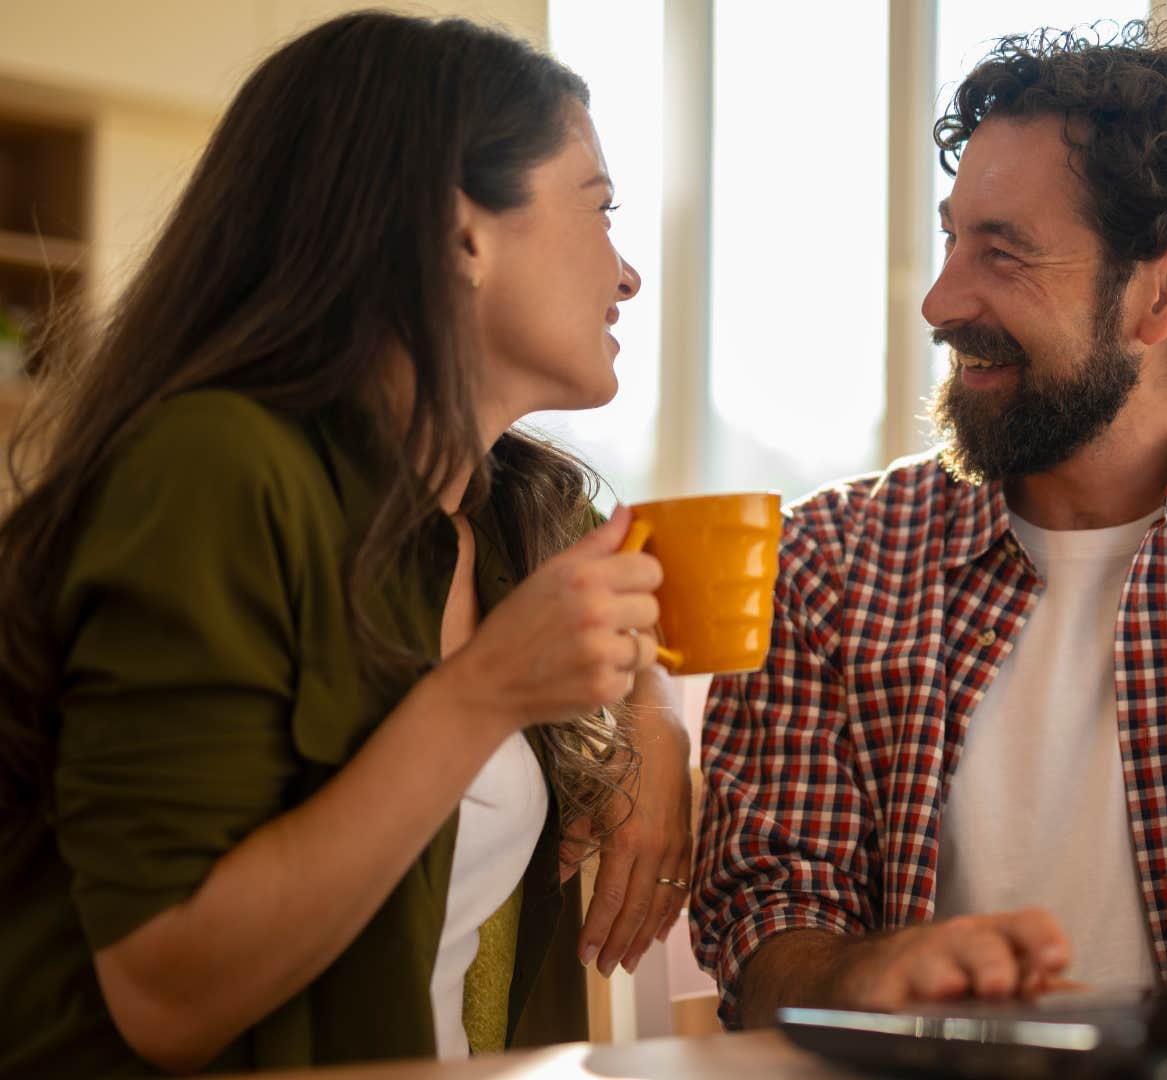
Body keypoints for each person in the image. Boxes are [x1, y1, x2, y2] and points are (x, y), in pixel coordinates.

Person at [690, 22, 1167, 1029]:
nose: (939, 299)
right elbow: (767, 919)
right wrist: (865, 980)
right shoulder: (829, 565)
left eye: (1002, 254)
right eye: (952, 236)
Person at [0, 12, 691, 1075]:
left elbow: (606, 625)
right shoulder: (215, 469)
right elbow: (165, 998)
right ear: (462, 234)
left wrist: (655, 730)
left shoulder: (494, 512)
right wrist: (484, 696)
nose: (629, 273)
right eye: (598, 210)